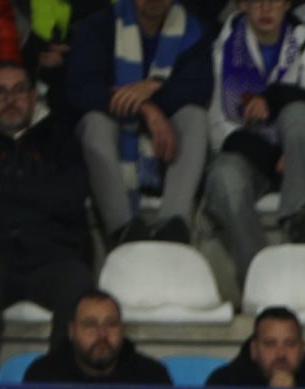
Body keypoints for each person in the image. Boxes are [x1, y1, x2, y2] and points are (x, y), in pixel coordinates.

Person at [0, 61, 96, 383]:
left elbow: (70, 199)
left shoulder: (62, 141)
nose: (10, 99)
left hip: (53, 257)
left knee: (78, 280)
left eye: (19, 90)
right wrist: (40, 201)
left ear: (34, 97)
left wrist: (4, 191)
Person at [203, 0, 305, 283]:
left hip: (303, 156)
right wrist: (273, 156)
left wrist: (278, 98)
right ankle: (261, 279)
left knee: (299, 113)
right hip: (251, 157)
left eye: (274, 1)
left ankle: (297, 220)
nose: (266, 9)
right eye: (257, 2)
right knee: (222, 177)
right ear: (242, 5)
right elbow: (220, 129)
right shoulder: (220, 52)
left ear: (287, 4)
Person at [68, 0, 213, 246]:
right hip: (117, 123)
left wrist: (154, 87)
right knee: (95, 124)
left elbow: (198, 89)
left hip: (166, 130)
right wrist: (146, 108)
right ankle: (122, 229)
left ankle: (173, 224)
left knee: (195, 118)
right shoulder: (101, 25)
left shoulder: (192, 30)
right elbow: (79, 89)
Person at [22, 290, 175, 385]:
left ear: (122, 330)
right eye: (90, 324)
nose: (102, 334)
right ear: (72, 331)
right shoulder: (43, 378)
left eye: (111, 324)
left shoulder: (152, 379)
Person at [204, 306, 305, 388]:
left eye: (290, 344)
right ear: (254, 350)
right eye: (270, 344)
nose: (281, 354)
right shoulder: (223, 386)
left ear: (303, 349)